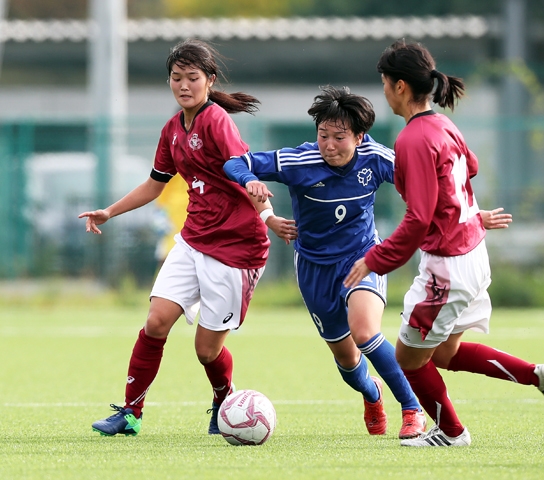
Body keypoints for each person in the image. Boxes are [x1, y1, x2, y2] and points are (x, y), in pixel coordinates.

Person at [344, 39, 544, 448]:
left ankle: (451, 432)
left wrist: (375, 260)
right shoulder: (444, 125)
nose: (383, 91)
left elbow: (417, 219)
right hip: (472, 253)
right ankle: (537, 374)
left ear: (399, 86)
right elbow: (472, 168)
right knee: (445, 355)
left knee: (407, 358)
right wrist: (467, 214)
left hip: (445, 268)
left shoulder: (413, 138)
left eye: (383, 83)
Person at [79, 38, 290, 437]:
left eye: (193, 78)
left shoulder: (216, 121)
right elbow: (154, 184)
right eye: (176, 78)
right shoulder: (172, 129)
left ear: (209, 81)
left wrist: (268, 216)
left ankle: (223, 399)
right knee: (156, 321)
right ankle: (130, 413)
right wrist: (109, 211)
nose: (183, 85)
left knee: (205, 351)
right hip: (193, 240)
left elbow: (240, 168)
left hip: (236, 251)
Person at [224, 85, 426, 439]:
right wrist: (251, 180)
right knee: (348, 363)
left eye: (339, 137)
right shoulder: (300, 161)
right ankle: (372, 393)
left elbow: (427, 185)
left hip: (361, 257)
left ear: (359, 137)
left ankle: (412, 409)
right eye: (323, 135)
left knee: (365, 332)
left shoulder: (377, 158)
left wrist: (468, 212)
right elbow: (234, 162)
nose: (329, 145)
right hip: (314, 268)